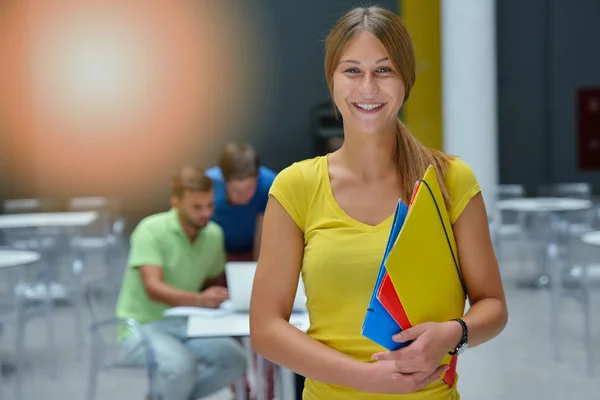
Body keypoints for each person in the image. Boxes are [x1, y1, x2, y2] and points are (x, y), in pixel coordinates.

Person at [249, 6, 508, 400]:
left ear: (406, 79)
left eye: (384, 70)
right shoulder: (296, 186)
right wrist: (363, 377)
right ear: (331, 81)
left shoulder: (451, 180)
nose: (367, 87)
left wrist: (454, 334)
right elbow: (266, 328)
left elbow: (492, 306)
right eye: (352, 71)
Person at [116, 166, 247, 400]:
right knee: (182, 368)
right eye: (197, 207)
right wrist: (200, 300)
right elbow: (152, 288)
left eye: (210, 205)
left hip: (186, 323)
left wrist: (217, 295)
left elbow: (211, 278)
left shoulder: (213, 234)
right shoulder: (150, 230)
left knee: (235, 361)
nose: (206, 213)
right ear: (176, 203)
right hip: (141, 325)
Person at [205, 142, 277, 261]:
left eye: (250, 188)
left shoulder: (271, 185)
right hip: (217, 251)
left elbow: (265, 233)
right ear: (223, 179)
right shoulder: (208, 184)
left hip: (253, 249)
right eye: (236, 190)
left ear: (258, 178)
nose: (244, 196)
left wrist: (255, 269)